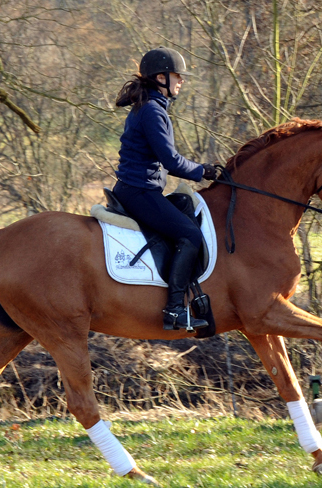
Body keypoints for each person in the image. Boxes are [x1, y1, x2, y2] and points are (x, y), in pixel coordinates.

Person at [113, 47, 216, 331]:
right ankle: (173, 311)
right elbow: (170, 160)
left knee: (185, 207)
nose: (181, 81)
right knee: (189, 234)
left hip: (140, 189)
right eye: (177, 76)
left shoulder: (150, 107)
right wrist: (202, 171)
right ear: (161, 77)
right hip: (139, 192)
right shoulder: (152, 111)